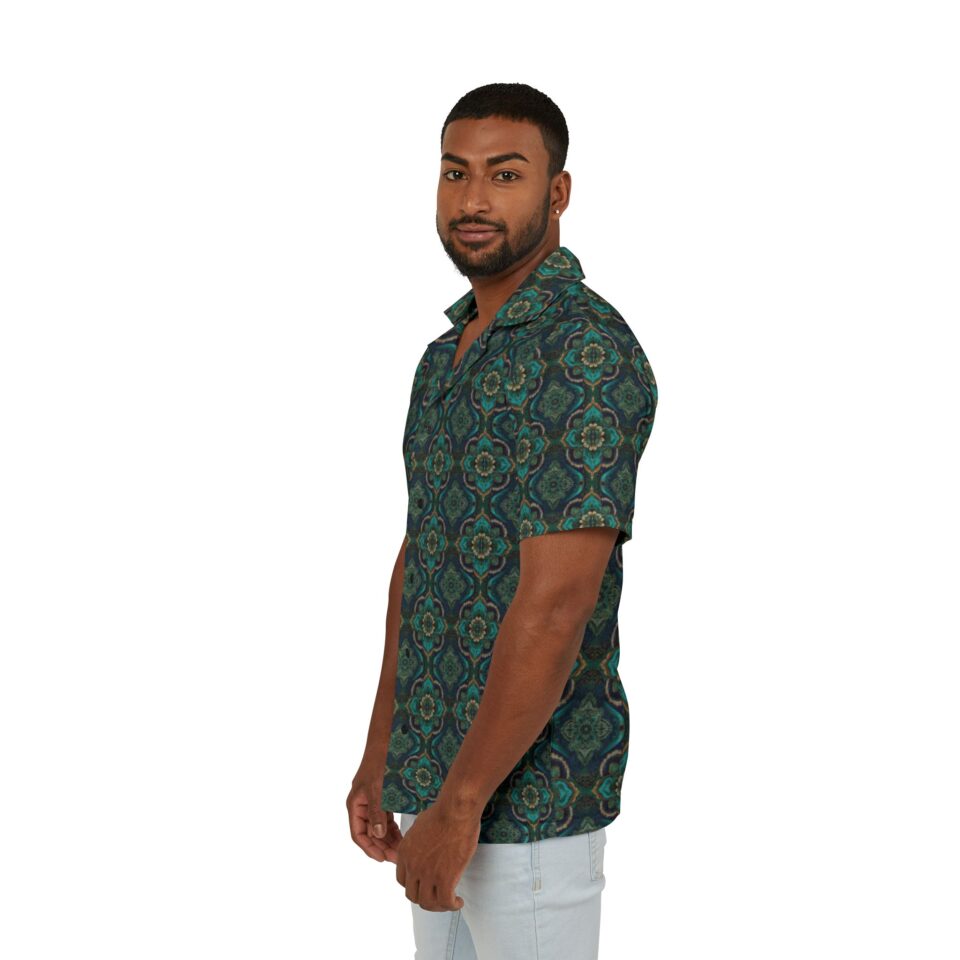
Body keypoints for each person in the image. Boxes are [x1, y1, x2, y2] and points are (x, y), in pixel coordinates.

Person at [346, 82, 658, 959]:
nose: (474, 199)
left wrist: (462, 806)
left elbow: (557, 606)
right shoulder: (444, 358)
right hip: (434, 783)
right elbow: (423, 559)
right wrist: (383, 752)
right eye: (456, 173)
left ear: (557, 193)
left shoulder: (581, 351)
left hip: (528, 809)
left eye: (506, 174)